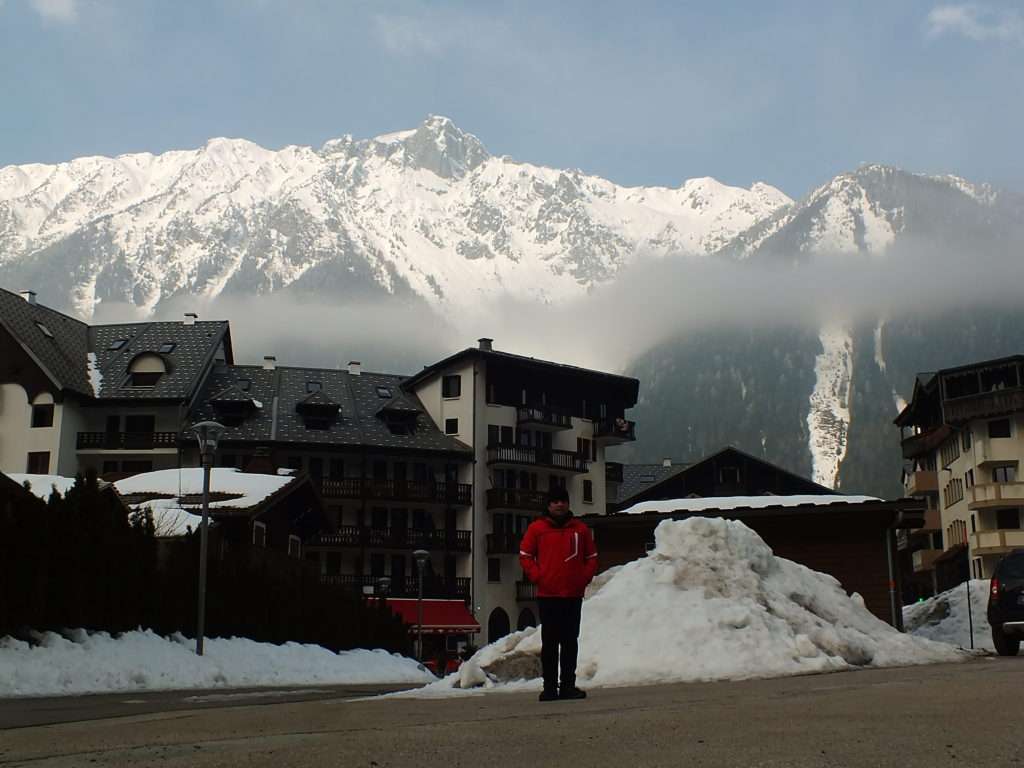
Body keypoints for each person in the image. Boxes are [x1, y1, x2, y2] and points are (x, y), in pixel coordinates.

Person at [519, 486, 598, 701]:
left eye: (563, 501)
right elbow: (525, 555)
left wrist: (583, 577)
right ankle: (550, 688)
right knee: (550, 644)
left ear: (568, 504)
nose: (559, 505)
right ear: (548, 505)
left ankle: (568, 686)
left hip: (572, 595)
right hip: (548, 596)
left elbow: (592, 557)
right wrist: (538, 577)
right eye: (555, 501)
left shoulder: (580, 530)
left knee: (570, 642)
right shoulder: (537, 529)